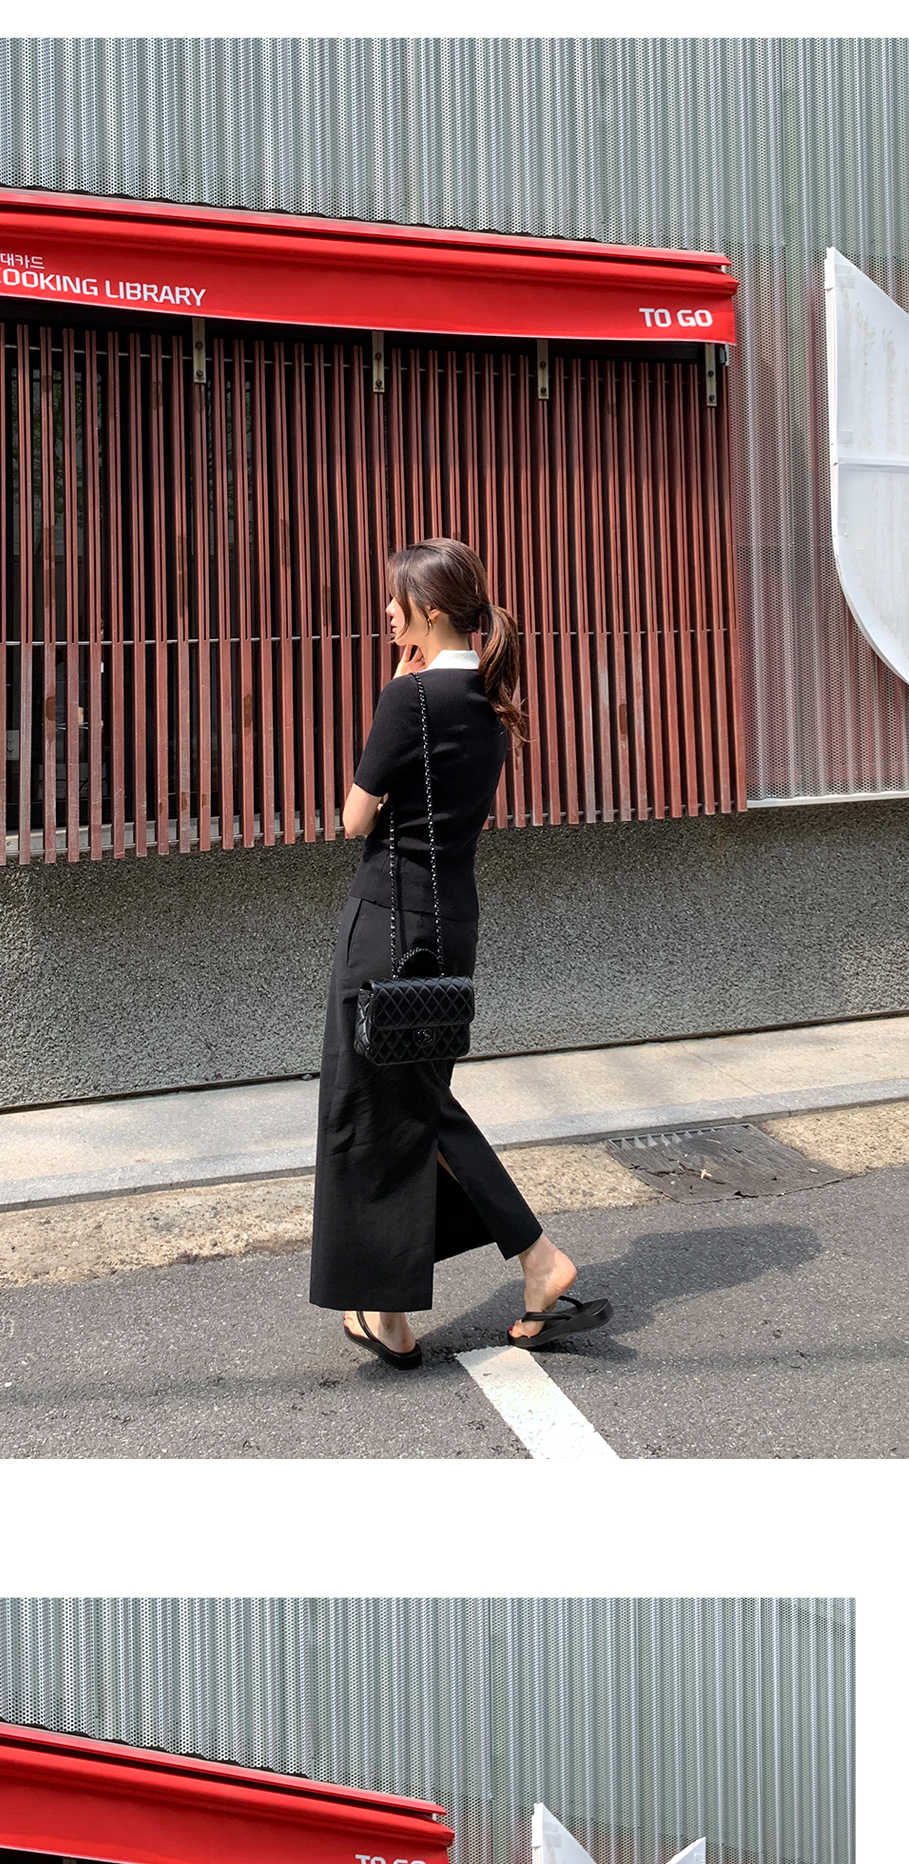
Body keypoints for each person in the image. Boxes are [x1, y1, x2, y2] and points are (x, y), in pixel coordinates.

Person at [310, 537, 611, 1368]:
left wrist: (389, 711)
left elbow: (353, 819)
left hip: (387, 924)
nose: (386, 612)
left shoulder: (408, 695)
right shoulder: (489, 696)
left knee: (376, 1104)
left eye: (396, 600)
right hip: (451, 925)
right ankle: (397, 1306)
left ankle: (534, 1260)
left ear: (431, 610)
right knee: (417, 1104)